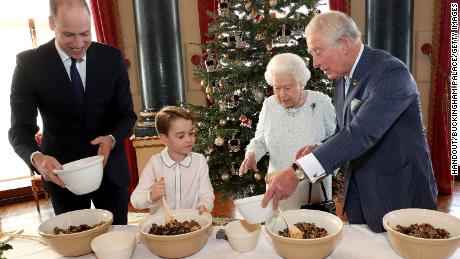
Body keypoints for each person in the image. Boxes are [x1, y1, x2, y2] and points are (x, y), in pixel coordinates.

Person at [262, 11, 437, 233]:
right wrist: (321, 148)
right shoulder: (343, 77)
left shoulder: (391, 73)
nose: (315, 63)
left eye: (318, 52)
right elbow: (343, 132)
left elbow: (360, 134)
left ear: (344, 44)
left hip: (399, 193)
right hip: (361, 196)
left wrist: (299, 171)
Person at [9, 0, 137, 225]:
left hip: (110, 174)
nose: (79, 44)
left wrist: (111, 139)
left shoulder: (111, 58)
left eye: (85, 34)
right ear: (52, 24)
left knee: (117, 245)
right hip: (62, 178)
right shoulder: (29, 65)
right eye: (69, 35)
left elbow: (127, 115)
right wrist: (37, 159)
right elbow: (19, 130)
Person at [239, 53, 335, 210]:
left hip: (312, 192)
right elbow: (261, 140)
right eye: (277, 88)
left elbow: (336, 142)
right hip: (278, 190)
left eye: (288, 88)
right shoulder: (269, 105)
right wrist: (252, 154)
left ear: (301, 83)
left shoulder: (320, 102)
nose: (282, 95)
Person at [130, 106, 215, 215]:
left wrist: (204, 205)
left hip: (191, 224)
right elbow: (135, 200)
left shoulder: (199, 161)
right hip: (163, 227)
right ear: (164, 139)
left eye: (191, 133)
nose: (189, 139)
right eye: (180, 136)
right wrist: (152, 195)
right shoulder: (155, 163)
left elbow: (206, 194)